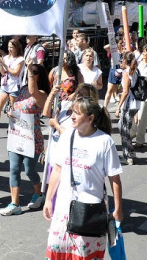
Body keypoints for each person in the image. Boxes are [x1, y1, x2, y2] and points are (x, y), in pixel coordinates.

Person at [43, 96, 123, 260]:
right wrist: (48, 199)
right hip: (64, 209)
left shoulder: (104, 142)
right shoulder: (66, 136)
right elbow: (57, 170)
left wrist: (118, 208)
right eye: (72, 111)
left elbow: (114, 179)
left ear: (90, 118)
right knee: (58, 255)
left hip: (90, 211)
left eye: (77, 113)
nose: (72, 116)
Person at [0, 63, 50, 216]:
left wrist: (28, 70)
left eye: (34, 73)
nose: (31, 75)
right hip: (16, 135)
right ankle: (15, 203)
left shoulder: (41, 94)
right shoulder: (22, 91)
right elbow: (14, 107)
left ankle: (39, 194)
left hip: (32, 138)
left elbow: (33, 90)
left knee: (29, 170)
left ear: (39, 76)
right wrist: (9, 111)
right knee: (14, 169)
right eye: (30, 72)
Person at [0, 39, 24, 139]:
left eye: (12, 47)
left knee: (14, 110)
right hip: (5, 86)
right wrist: (1, 63)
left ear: (16, 48)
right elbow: (3, 73)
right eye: (9, 47)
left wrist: (4, 64)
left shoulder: (20, 59)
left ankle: (14, 130)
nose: (10, 49)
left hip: (14, 86)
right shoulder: (6, 58)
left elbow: (15, 73)